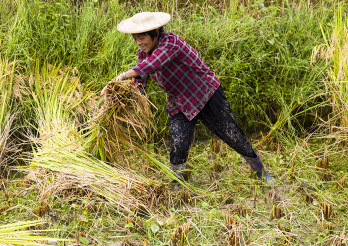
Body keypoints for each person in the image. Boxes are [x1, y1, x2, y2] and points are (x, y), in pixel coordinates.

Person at [101, 12, 275, 187]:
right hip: (179, 102)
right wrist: (120, 94)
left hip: (205, 94)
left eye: (142, 38)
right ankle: (178, 182)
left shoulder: (171, 42)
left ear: (155, 33)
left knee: (232, 134)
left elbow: (151, 65)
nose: (139, 43)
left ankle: (260, 172)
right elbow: (140, 80)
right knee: (178, 143)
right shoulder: (143, 55)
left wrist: (122, 76)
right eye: (135, 39)